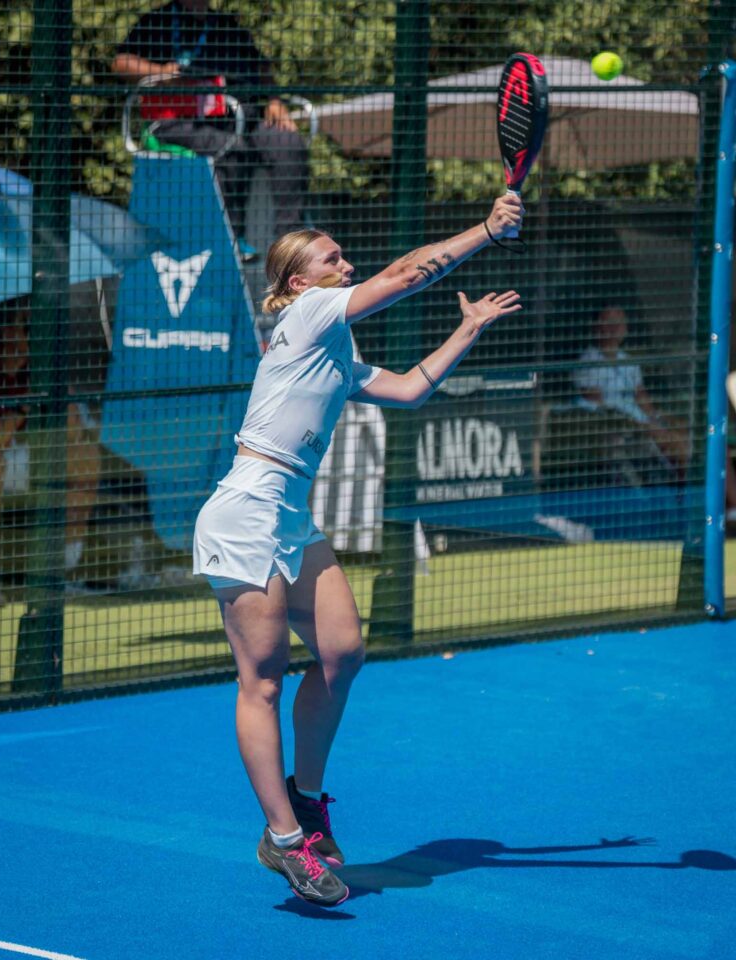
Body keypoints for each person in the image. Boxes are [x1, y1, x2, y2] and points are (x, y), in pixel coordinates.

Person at [192, 194, 524, 906]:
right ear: (298, 282)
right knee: (264, 681)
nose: (346, 264)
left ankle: (306, 800)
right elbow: (404, 276)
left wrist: (467, 329)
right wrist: (486, 231)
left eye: (345, 256)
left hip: (290, 518)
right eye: (332, 258)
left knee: (342, 653)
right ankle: (284, 840)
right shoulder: (307, 314)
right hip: (245, 513)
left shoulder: (336, 353)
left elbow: (407, 390)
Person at [111, 0, 308, 262]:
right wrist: (161, 73)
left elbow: (260, 66)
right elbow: (121, 63)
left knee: (287, 142)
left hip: (238, 119)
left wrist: (274, 100)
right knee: (231, 148)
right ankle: (231, 240)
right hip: (176, 122)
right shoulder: (156, 22)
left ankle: (291, 246)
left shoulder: (228, 25)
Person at [0, 297, 102, 606]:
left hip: (31, 457)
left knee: (84, 458)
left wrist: (52, 389)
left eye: (40, 326)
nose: (35, 334)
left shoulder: (44, 365)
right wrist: (23, 406)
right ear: (8, 329)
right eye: (27, 326)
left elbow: (73, 431)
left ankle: (62, 572)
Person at [573, 305, 690, 483]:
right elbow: (596, 404)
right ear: (597, 326)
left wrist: (659, 418)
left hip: (639, 420)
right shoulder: (587, 362)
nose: (615, 326)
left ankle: (681, 483)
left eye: (619, 321)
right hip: (616, 424)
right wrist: (640, 423)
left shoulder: (629, 362)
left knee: (680, 429)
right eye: (610, 321)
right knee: (667, 439)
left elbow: (642, 398)